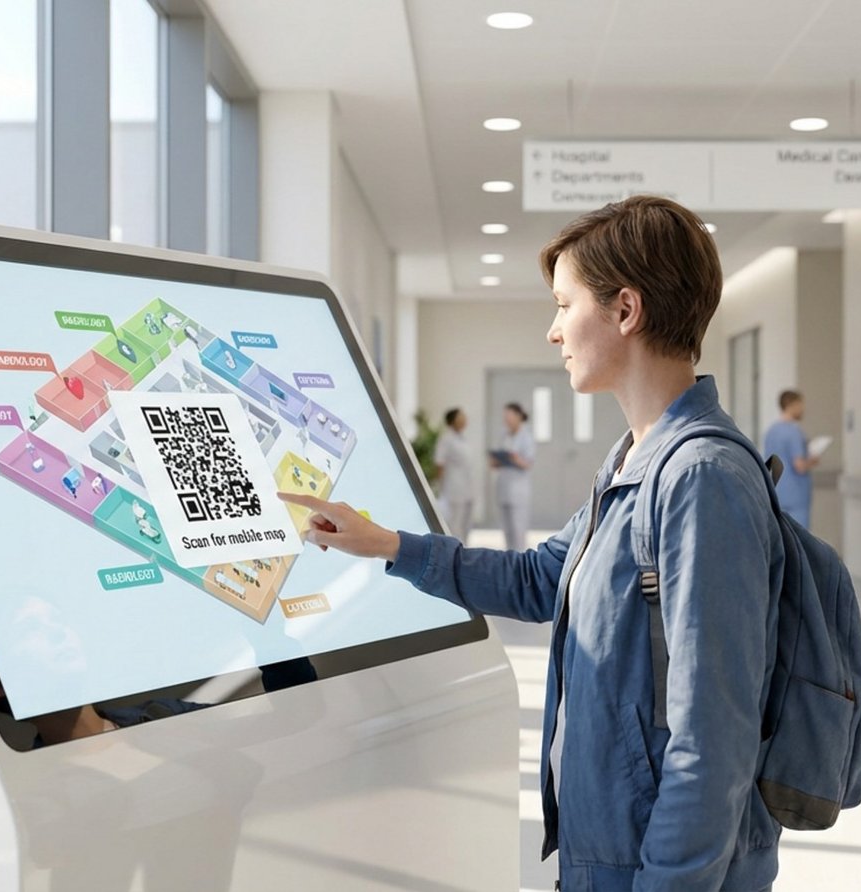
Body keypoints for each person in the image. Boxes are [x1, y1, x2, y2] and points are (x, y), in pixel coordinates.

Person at [282, 195, 784, 891]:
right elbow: (537, 579)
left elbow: (714, 741)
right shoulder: (633, 463)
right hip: (605, 855)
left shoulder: (702, 478)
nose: (553, 331)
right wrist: (389, 544)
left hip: (653, 871)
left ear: (625, 311)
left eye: (563, 303)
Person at [763, 390, 819, 529]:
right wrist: (812, 461)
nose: (803, 409)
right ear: (792, 405)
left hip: (777, 493)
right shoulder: (794, 432)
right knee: (799, 540)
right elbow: (799, 466)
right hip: (796, 496)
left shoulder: (771, 431)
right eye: (800, 405)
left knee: (782, 539)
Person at [492, 402, 535, 549]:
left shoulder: (526, 436)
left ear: (518, 416)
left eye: (509, 416)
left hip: (518, 490)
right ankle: (510, 562)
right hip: (503, 487)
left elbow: (528, 463)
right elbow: (496, 462)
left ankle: (520, 562)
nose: (506, 420)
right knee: (507, 531)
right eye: (505, 417)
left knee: (518, 531)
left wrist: (515, 459)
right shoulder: (504, 435)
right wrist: (497, 460)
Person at [432, 407, 476, 537]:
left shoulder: (463, 438)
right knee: (455, 524)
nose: (464, 419)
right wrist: (438, 487)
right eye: (461, 416)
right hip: (453, 488)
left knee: (466, 523)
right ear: (453, 421)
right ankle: (457, 553)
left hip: (467, 487)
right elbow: (439, 463)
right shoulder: (446, 439)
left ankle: (465, 550)